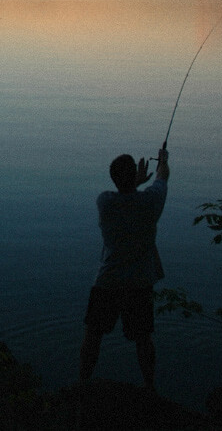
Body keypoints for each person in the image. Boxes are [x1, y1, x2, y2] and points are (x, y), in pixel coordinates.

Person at [79, 147, 170, 391]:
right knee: (143, 339)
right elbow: (162, 177)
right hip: (139, 282)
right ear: (134, 176)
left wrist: (134, 183)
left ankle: (83, 382)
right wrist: (163, 161)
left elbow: (126, 195)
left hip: (108, 280)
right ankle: (149, 386)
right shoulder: (150, 202)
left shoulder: (105, 202)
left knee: (93, 335)